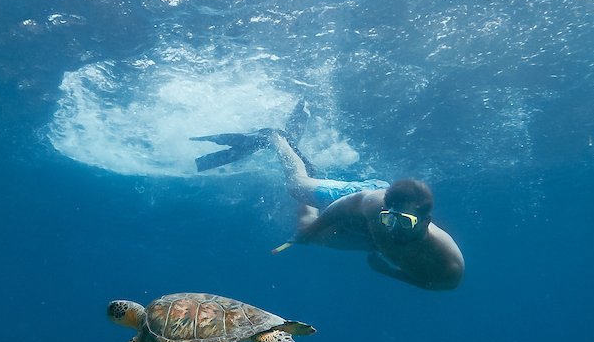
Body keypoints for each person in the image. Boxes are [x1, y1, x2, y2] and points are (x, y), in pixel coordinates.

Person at [191, 102, 464, 291]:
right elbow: (342, 207)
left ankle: (305, 163)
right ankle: (275, 138)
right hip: (353, 199)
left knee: (308, 235)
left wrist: (388, 272)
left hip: (371, 242)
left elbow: (437, 284)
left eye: (403, 222)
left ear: (426, 221)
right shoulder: (374, 202)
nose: (392, 228)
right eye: (388, 219)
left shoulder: (448, 266)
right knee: (297, 188)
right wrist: (315, 227)